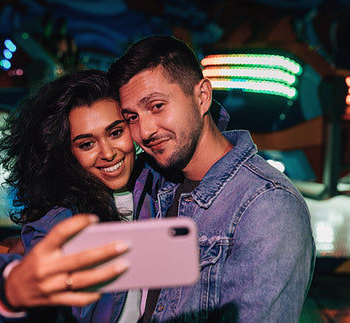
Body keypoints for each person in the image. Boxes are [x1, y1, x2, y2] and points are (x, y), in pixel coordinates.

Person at [107, 35, 316, 322]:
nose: (144, 131)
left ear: (203, 96)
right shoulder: (154, 181)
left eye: (157, 106)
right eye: (132, 117)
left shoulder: (267, 205)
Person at [0, 69, 165, 322]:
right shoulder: (62, 223)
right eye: (87, 144)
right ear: (66, 154)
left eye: (116, 132)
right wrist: (8, 295)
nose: (107, 153)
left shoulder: (156, 183)